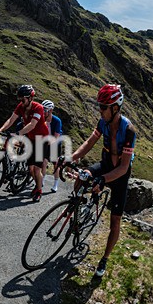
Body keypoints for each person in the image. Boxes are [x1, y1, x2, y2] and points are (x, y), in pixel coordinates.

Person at [70, 84, 137, 278]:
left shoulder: (129, 130)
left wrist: (103, 178)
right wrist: (72, 157)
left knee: (115, 220)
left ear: (115, 108)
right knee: (82, 177)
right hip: (105, 164)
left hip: (120, 175)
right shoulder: (103, 123)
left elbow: (124, 168)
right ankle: (78, 208)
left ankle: (105, 258)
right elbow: (89, 142)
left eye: (103, 107)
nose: (100, 110)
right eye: (99, 106)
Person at [0, 84, 50, 201]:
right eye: (19, 99)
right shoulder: (21, 106)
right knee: (30, 169)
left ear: (30, 98)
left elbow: (32, 124)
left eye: (22, 99)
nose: (20, 101)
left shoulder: (38, 108)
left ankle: (38, 190)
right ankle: (36, 185)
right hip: (30, 139)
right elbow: (11, 119)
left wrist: (18, 133)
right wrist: (1, 129)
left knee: (36, 169)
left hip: (41, 140)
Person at [42, 100, 63, 192]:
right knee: (43, 162)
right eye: (42, 109)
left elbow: (56, 136)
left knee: (55, 164)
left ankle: (55, 184)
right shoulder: (42, 119)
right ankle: (41, 180)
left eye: (45, 110)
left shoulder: (57, 121)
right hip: (45, 141)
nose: (43, 112)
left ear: (50, 111)